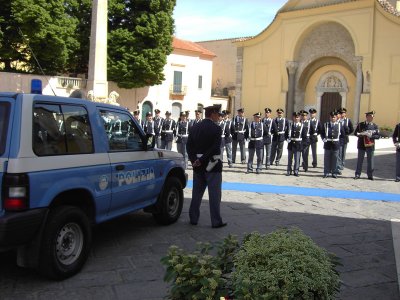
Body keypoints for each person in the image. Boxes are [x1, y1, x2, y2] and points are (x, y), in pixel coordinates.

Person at [186, 104, 227, 228]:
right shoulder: (216, 129)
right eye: (218, 115)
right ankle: (216, 221)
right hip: (212, 164)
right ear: (213, 114)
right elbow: (215, 148)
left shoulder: (194, 127)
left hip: (197, 165)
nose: (219, 117)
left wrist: (195, 160)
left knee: (197, 193)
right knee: (214, 194)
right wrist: (202, 159)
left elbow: (189, 147)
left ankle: (193, 218)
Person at [354, 110, 380, 180]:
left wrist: (371, 136)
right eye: (370, 116)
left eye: (372, 117)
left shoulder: (375, 126)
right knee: (360, 160)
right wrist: (362, 135)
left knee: (370, 161)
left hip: (370, 145)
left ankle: (370, 175)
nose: (371, 118)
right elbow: (355, 133)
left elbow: (378, 136)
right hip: (361, 145)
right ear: (367, 117)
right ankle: (357, 174)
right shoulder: (361, 124)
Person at [321, 111, 345, 178]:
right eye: (332, 117)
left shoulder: (339, 125)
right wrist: (323, 139)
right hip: (328, 144)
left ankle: (334, 173)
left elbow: (343, 136)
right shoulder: (326, 125)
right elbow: (322, 133)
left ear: (336, 118)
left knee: (335, 159)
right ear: (330, 117)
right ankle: (326, 172)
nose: (333, 118)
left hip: (336, 144)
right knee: (327, 159)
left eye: (334, 117)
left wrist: (340, 143)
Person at [286, 112, 306, 176]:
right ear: (293, 118)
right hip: (291, 144)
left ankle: (296, 171)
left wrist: (302, 144)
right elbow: (286, 134)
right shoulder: (290, 125)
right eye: (295, 117)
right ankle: (289, 171)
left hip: (298, 144)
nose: (296, 118)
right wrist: (287, 139)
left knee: (297, 159)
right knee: (289, 159)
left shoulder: (302, 126)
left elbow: (304, 137)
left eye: (297, 117)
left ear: (300, 118)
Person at [337, 108, 354, 173]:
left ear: (345, 114)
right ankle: (338, 164)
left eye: (343, 113)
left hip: (345, 138)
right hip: (338, 138)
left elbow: (352, 129)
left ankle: (342, 164)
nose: (342, 114)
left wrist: (347, 134)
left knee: (343, 152)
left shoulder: (348, 120)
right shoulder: (337, 120)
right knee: (339, 152)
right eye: (340, 113)